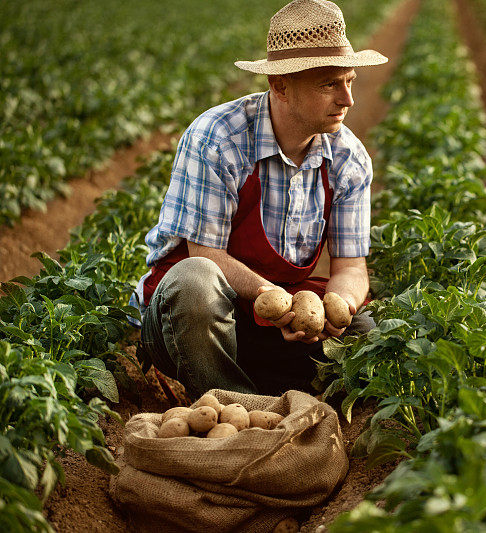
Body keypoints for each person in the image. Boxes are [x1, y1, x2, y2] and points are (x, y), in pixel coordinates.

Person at [130, 0, 388, 399]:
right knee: (195, 282)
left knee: (369, 333)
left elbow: (352, 266)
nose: (347, 99)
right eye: (329, 84)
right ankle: (231, 404)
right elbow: (206, 253)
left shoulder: (349, 159)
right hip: (193, 321)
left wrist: (338, 304)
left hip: (269, 320)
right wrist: (276, 298)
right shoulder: (218, 138)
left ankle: (284, 397)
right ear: (281, 86)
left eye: (349, 81)